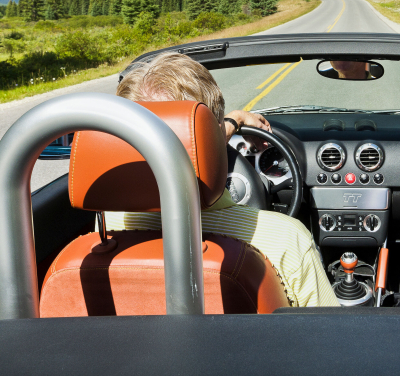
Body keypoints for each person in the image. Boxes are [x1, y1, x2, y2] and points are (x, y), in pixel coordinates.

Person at [106, 52, 339, 308]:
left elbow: (174, 146)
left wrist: (233, 122)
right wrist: (226, 124)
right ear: (215, 134)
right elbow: (331, 341)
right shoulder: (287, 241)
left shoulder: (106, 229)